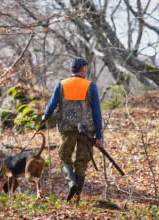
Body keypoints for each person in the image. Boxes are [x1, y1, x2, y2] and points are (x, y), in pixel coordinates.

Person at [42, 57, 102, 202]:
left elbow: (52, 104)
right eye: (85, 68)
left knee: (64, 158)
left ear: (72, 70)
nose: (86, 70)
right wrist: (99, 135)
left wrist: (45, 116)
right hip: (87, 132)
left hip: (67, 129)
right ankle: (75, 197)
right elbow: (96, 112)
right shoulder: (90, 86)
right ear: (82, 69)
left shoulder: (61, 84)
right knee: (81, 162)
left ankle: (71, 183)